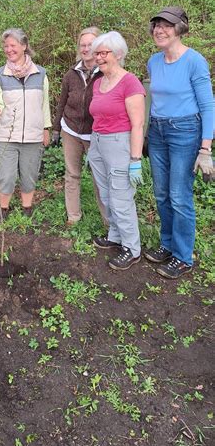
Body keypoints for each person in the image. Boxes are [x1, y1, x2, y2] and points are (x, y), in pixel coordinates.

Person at [144, 7, 213, 279]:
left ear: (180, 29)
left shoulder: (195, 61)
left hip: (186, 131)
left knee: (179, 195)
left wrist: (205, 149)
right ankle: (167, 244)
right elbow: (153, 100)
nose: (159, 30)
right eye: (156, 25)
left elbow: (208, 105)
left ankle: (183, 256)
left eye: (166, 25)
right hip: (158, 131)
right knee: (161, 193)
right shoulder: (154, 61)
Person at [87, 31, 146, 271]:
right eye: (96, 53)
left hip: (120, 144)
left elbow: (138, 124)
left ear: (118, 54)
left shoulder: (130, 82)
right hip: (98, 142)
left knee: (121, 198)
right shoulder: (99, 82)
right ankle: (115, 235)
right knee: (106, 193)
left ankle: (132, 248)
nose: (99, 58)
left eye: (104, 53)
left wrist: (135, 159)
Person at [0, 28, 51, 220]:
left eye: (13, 45)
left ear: (24, 46)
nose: (8, 49)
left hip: (33, 135)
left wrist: (46, 129)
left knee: (29, 175)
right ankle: (3, 211)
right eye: (6, 46)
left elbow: (44, 104)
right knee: (6, 176)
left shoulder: (40, 74)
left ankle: (27, 209)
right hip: (5, 136)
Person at [52, 27, 107, 225]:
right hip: (71, 130)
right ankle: (73, 216)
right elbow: (62, 102)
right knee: (72, 174)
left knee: (100, 178)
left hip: (96, 133)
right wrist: (56, 128)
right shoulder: (70, 74)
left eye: (90, 45)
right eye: (82, 45)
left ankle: (108, 221)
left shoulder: (106, 73)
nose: (85, 49)